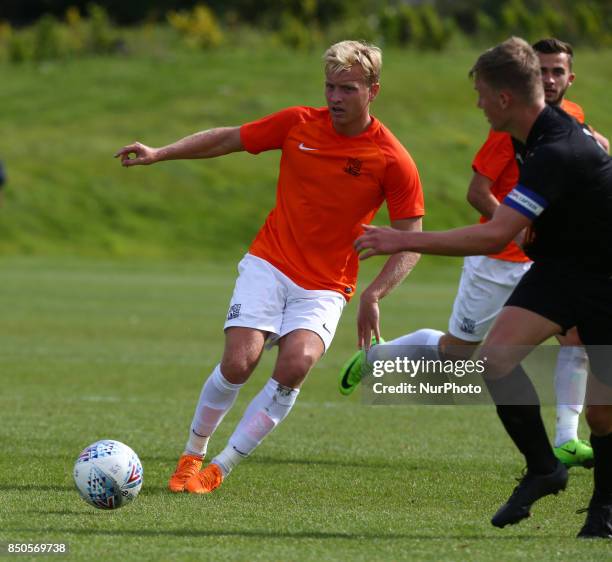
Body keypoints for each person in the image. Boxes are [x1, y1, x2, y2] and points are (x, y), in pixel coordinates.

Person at [114, 40, 424, 494]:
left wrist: (375, 293)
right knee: (240, 363)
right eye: (329, 87)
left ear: (373, 90)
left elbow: (411, 237)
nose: (335, 97)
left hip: (326, 284)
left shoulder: (392, 158)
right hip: (270, 262)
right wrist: (161, 152)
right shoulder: (297, 123)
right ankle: (191, 455)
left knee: (296, 363)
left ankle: (218, 469)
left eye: (348, 88)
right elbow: (228, 138)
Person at [354, 37, 612, 537]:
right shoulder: (527, 136)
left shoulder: (557, 146)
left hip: (606, 280)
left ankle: (604, 510)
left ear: (504, 99)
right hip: (561, 271)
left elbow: (493, 234)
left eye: (481, 94)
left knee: (603, 416)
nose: (476, 103)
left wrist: (400, 240)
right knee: (493, 360)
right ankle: (545, 468)